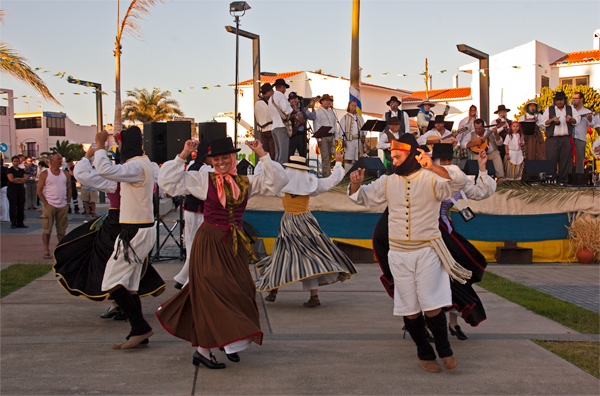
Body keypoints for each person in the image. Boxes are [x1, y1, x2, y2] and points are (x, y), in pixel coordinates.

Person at [156, 137, 289, 369]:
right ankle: (205, 351)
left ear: (233, 158)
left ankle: (230, 341)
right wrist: (183, 154)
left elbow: (278, 182)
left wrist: (262, 153)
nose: (220, 162)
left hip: (234, 244)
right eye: (216, 159)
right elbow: (167, 181)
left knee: (241, 291)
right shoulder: (202, 179)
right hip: (209, 241)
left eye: (225, 158)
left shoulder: (247, 182)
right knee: (211, 293)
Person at [348, 134, 468, 373]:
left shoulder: (431, 178)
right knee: (409, 307)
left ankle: (444, 350)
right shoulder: (388, 182)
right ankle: (424, 351)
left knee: (431, 304)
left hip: (427, 252)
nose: (393, 161)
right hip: (399, 254)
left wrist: (433, 166)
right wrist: (355, 184)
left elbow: (458, 182)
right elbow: (362, 198)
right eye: (391, 157)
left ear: (412, 155)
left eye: (397, 156)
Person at [372, 144, 495, 342]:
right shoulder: (421, 179)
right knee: (426, 283)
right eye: (442, 161)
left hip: (447, 236)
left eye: (449, 160)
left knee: (455, 278)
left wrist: (482, 168)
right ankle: (417, 322)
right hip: (425, 237)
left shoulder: (451, 177)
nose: (447, 164)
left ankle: (452, 324)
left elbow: (480, 191)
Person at [54, 148, 165, 327]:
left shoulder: (116, 177)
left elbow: (82, 174)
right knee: (129, 267)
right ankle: (134, 319)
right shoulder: (146, 169)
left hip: (120, 223)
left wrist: (88, 155)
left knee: (109, 266)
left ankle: (128, 313)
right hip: (137, 223)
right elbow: (163, 178)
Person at [255, 153, 357, 306]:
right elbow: (332, 181)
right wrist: (339, 163)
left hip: (289, 223)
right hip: (306, 222)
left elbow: (262, 178)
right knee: (310, 257)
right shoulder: (310, 184)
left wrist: (262, 159)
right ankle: (313, 296)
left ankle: (273, 290)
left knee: (281, 255)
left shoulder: (282, 183)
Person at [89, 126, 158, 350]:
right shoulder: (145, 163)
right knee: (129, 284)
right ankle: (138, 333)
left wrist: (100, 146)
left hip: (135, 231)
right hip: (139, 229)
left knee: (111, 281)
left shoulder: (136, 166)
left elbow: (105, 170)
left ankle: (140, 327)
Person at [173, 139, 212, 290]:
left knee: (191, 243)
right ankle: (187, 280)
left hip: (190, 210)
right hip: (197, 211)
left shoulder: (191, 165)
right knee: (196, 245)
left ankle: (183, 279)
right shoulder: (204, 170)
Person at [539, 91, 581, 184]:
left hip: (565, 138)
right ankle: (551, 181)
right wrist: (552, 120)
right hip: (552, 139)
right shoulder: (549, 109)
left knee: (565, 160)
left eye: (561, 100)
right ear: (555, 101)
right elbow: (542, 123)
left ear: (564, 100)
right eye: (557, 100)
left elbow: (577, 120)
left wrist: (571, 119)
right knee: (551, 159)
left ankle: (563, 181)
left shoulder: (570, 109)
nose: (559, 102)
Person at [37, 153, 71, 257]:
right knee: (47, 229)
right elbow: (39, 191)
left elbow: (69, 189)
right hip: (49, 205)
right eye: (58, 159)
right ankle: (46, 250)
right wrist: (46, 204)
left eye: (61, 159)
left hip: (62, 205)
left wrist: (68, 203)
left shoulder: (65, 174)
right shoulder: (45, 174)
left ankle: (62, 250)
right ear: (52, 161)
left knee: (61, 229)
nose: (61, 161)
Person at [312, 94, 339, 177]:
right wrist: (319, 139)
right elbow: (316, 125)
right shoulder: (318, 111)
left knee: (331, 157)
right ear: (322, 102)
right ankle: (326, 176)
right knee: (325, 158)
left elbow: (335, 125)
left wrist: (336, 137)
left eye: (329, 101)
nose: (328, 102)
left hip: (331, 135)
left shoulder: (332, 112)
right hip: (323, 136)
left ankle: (329, 174)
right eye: (326, 100)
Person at [572, 92, 598, 173]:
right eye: (573, 98)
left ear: (581, 99)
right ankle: (568, 178)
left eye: (576, 98)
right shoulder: (569, 109)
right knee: (568, 159)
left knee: (579, 159)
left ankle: (579, 178)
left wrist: (590, 119)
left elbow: (592, 124)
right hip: (569, 137)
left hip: (580, 138)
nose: (574, 100)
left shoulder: (586, 111)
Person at [268, 78, 293, 164]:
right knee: (283, 154)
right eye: (285, 88)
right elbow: (286, 110)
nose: (285, 90)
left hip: (274, 127)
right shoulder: (281, 96)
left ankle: (277, 172)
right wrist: (292, 109)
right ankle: (282, 174)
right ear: (282, 86)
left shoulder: (271, 98)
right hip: (281, 126)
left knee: (278, 153)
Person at [288, 92, 317, 159]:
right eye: (292, 99)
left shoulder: (302, 110)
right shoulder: (287, 109)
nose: (294, 100)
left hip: (301, 135)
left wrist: (312, 107)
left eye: (295, 98)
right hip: (291, 136)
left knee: (303, 156)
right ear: (289, 101)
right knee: (290, 155)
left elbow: (313, 117)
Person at [339, 100, 366, 171]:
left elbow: (364, 127)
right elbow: (341, 130)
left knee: (358, 159)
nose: (354, 107)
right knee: (349, 159)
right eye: (352, 105)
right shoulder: (345, 117)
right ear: (349, 106)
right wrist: (343, 140)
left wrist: (364, 135)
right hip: (349, 141)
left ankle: (357, 174)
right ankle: (348, 174)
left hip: (358, 140)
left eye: (355, 105)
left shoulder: (359, 117)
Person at [255, 83, 276, 160]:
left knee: (265, 153)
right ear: (267, 92)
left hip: (262, 131)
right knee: (273, 154)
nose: (273, 92)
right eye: (271, 90)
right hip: (271, 129)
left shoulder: (257, 103)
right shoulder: (271, 102)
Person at [6, 156, 27, 229]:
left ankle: (20, 222)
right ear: (12, 162)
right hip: (12, 190)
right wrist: (20, 180)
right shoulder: (10, 170)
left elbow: (25, 178)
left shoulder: (21, 170)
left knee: (21, 206)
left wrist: (17, 179)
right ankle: (13, 223)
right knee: (13, 206)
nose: (16, 162)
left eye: (17, 161)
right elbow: (11, 179)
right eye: (14, 161)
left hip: (21, 189)